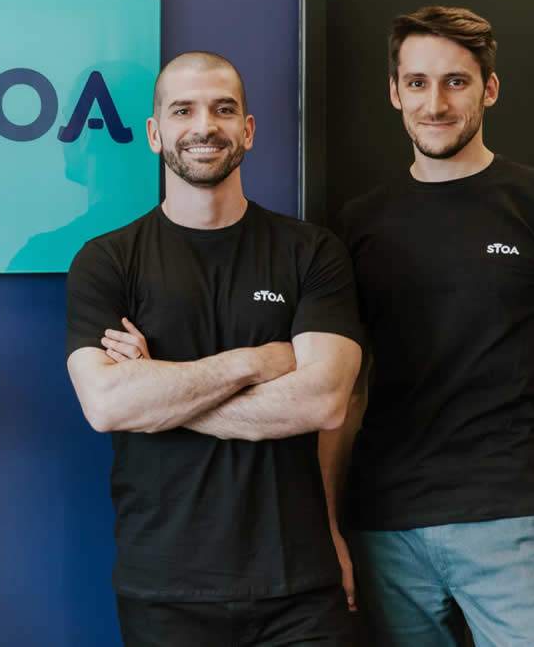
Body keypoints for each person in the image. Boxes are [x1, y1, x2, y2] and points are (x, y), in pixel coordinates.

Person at [322, 7, 534, 646]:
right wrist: (327, 526)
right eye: (417, 83)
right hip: (385, 527)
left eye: (456, 82)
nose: (435, 103)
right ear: (394, 92)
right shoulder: (358, 223)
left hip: (513, 520)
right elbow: (345, 392)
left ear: (489, 89)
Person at [66, 52, 363, 647]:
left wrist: (158, 391)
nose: (204, 125)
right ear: (155, 133)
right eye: (183, 110)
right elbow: (107, 406)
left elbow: (323, 402)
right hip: (165, 590)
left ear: (247, 130)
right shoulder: (107, 261)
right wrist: (255, 362)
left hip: (298, 588)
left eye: (223, 109)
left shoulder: (311, 253)